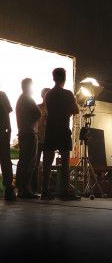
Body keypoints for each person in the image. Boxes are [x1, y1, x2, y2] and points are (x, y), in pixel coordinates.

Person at [42, 68, 80, 200]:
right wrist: (67, 112)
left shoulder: (48, 94)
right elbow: (76, 110)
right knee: (65, 162)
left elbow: (48, 110)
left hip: (50, 129)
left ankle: (45, 191)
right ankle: (64, 192)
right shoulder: (68, 94)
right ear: (64, 78)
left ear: (53, 78)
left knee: (47, 162)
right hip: (63, 129)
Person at [16, 78, 41, 198]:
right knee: (29, 162)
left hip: (23, 132)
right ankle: (26, 189)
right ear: (27, 87)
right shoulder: (27, 99)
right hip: (29, 133)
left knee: (23, 161)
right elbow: (38, 113)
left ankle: (21, 189)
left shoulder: (21, 99)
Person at [32, 88, 50, 193]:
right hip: (39, 138)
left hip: (48, 139)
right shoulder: (38, 107)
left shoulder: (52, 109)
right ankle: (34, 187)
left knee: (46, 165)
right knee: (35, 164)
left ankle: (45, 189)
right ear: (42, 95)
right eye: (45, 94)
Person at [0, 88, 17, 201]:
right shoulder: (2, 95)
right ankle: (9, 189)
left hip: (3, 133)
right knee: (5, 161)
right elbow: (7, 114)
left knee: (5, 161)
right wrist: (8, 131)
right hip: (2, 133)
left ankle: (9, 189)